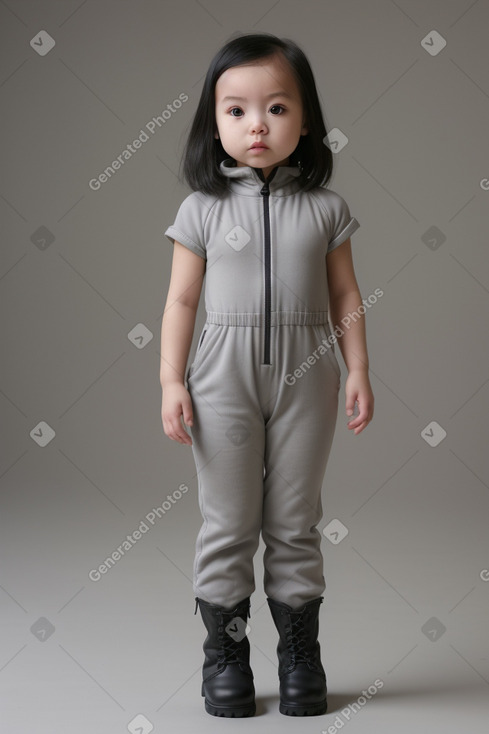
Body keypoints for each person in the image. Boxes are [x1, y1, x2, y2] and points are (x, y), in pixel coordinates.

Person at [160, 32, 374, 719]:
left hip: (308, 373)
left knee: (294, 520)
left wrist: (356, 369)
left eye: (277, 108)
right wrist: (170, 380)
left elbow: (344, 296)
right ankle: (224, 657)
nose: (257, 125)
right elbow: (182, 301)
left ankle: (299, 655)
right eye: (236, 110)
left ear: (305, 119)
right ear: (212, 121)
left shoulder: (325, 209)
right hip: (219, 376)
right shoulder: (200, 210)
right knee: (226, 522)